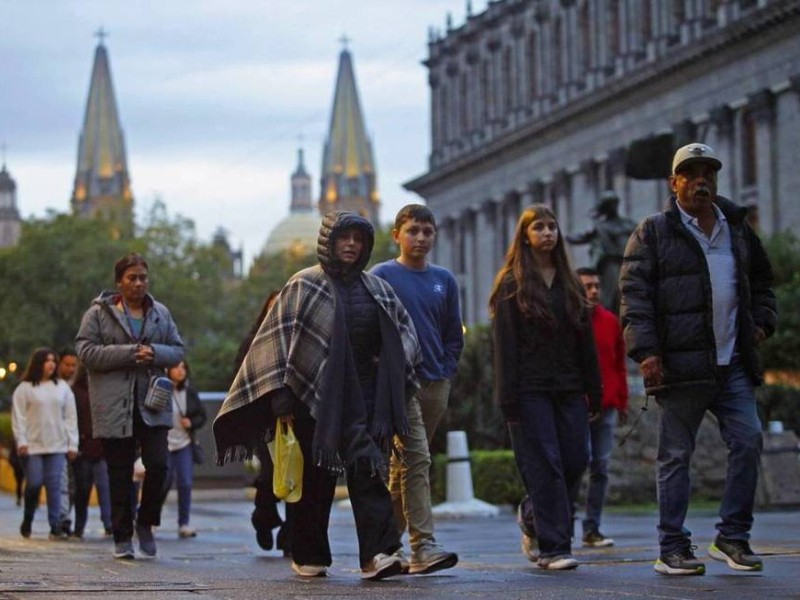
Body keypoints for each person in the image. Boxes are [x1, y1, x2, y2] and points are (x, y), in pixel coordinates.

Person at [214, 211, 420, 581]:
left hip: (365, 399)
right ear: (329, 241)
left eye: (359, 239)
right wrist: (281, 401)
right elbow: (276, 347)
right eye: (345, 238)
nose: (352, 245)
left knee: (369, 470)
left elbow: (404, 334)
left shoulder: (376, 288)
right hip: (313, 400)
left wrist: (387, 358)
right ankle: (308, 553)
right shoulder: (304, 285)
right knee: (314, 479)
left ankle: (380, 553)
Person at [620, 143, 777, 576]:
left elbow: (763, 281)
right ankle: (671, 546)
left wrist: (762, 322)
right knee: (675, 456)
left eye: (708, 172)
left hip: (734, 364)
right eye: (691, 173)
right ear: (674, 183)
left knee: (748, 440)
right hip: (680, 366)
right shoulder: (653, 232)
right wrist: (647, 353)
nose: (701, 180)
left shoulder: (738, 228)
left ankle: (732, 537)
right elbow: (634, 299)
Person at [490, 204, 602, 571]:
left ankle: (532, 517)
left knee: (575, 459)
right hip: (529, 389)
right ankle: (554, 547)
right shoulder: (512, 283)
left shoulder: (570, 282)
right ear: (525, 235)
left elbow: (585, 341)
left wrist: (594, 389)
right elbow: (504, 345)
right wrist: (506, 396)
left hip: (569, 386)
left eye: (552, 226)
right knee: (545, 465)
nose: (547, 233)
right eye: (538, 227)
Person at [370, 203, 462, 574]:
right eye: (413, 231)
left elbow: (453, 333)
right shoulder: (382, 275)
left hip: (436, 382)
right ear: (397, 235)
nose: (421, 238)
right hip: (399, 383)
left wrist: (447, 367)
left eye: (427, 231)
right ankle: (423, 546)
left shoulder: (444, 280)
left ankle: (386, 545)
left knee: (405, 465)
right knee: (418, 457)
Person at [76, 252, 185, 560]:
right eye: (132, 278)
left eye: (143, 277)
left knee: (160, 466)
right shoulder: (98, 314)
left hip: (152, 405)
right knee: (119, 473)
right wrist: (128, 354)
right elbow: (85, 351)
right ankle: (122, 536)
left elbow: (177, 351)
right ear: (119, 282)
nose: (139, 283)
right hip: (114, 406)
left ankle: (146, 521)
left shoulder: (160, 313)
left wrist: (154, 353)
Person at [233, 290, 292, 555]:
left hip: (294, 416)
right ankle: (264, 517)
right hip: (263, 420)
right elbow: (239, 381)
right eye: (272, 306)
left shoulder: (297, 339)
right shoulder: (252, 343)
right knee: (270, 474)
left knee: (296, 475)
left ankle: (292, 533)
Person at [11, 347, 79, 540]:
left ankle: (55, 526)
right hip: (32, 446)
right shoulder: (24, 389)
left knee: (54, 486)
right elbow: (19, 417)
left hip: (57, 446)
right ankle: (28, 518)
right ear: (38, 364)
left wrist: (72, 444)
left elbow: (70, 418)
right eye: (47, 360)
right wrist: (21, 441)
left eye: (53, 360)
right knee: (33, 483)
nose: (51, 364)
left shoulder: (62, 388)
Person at [567, 190, 636, 313]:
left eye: (614, 203)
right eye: (609, 204)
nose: (612, 207)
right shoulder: (601, 227)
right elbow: (583, 238)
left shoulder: (628, 224)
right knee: (611, 294)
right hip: (611, 263)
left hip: (630, 263)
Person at [160, 359, 206, 538]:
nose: (180, 371)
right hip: (164, 443)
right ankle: (151, 519)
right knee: (163, 482)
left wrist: (191, 423)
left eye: (183, 367)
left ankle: (184, 523)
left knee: (185, 482)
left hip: (184, 443)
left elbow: (202, 415)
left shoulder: (190, 391)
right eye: (176, 367)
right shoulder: (161, 389)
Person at [70, 363, 113, 539]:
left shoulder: (106, 390)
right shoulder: (75, 392)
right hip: (84, 446)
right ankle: (79, 526)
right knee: (82, 489)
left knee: (105, 487)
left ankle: (109, 524)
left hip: (102, 447)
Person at [56, 348, 80, 537]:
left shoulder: (81, 386)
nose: (71, 369)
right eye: (67, 364)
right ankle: (59, 517)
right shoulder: (53, 385)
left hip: (76, 441)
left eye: (74, 365)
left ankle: (65, 519)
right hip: (54, 440)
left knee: (72, 484)